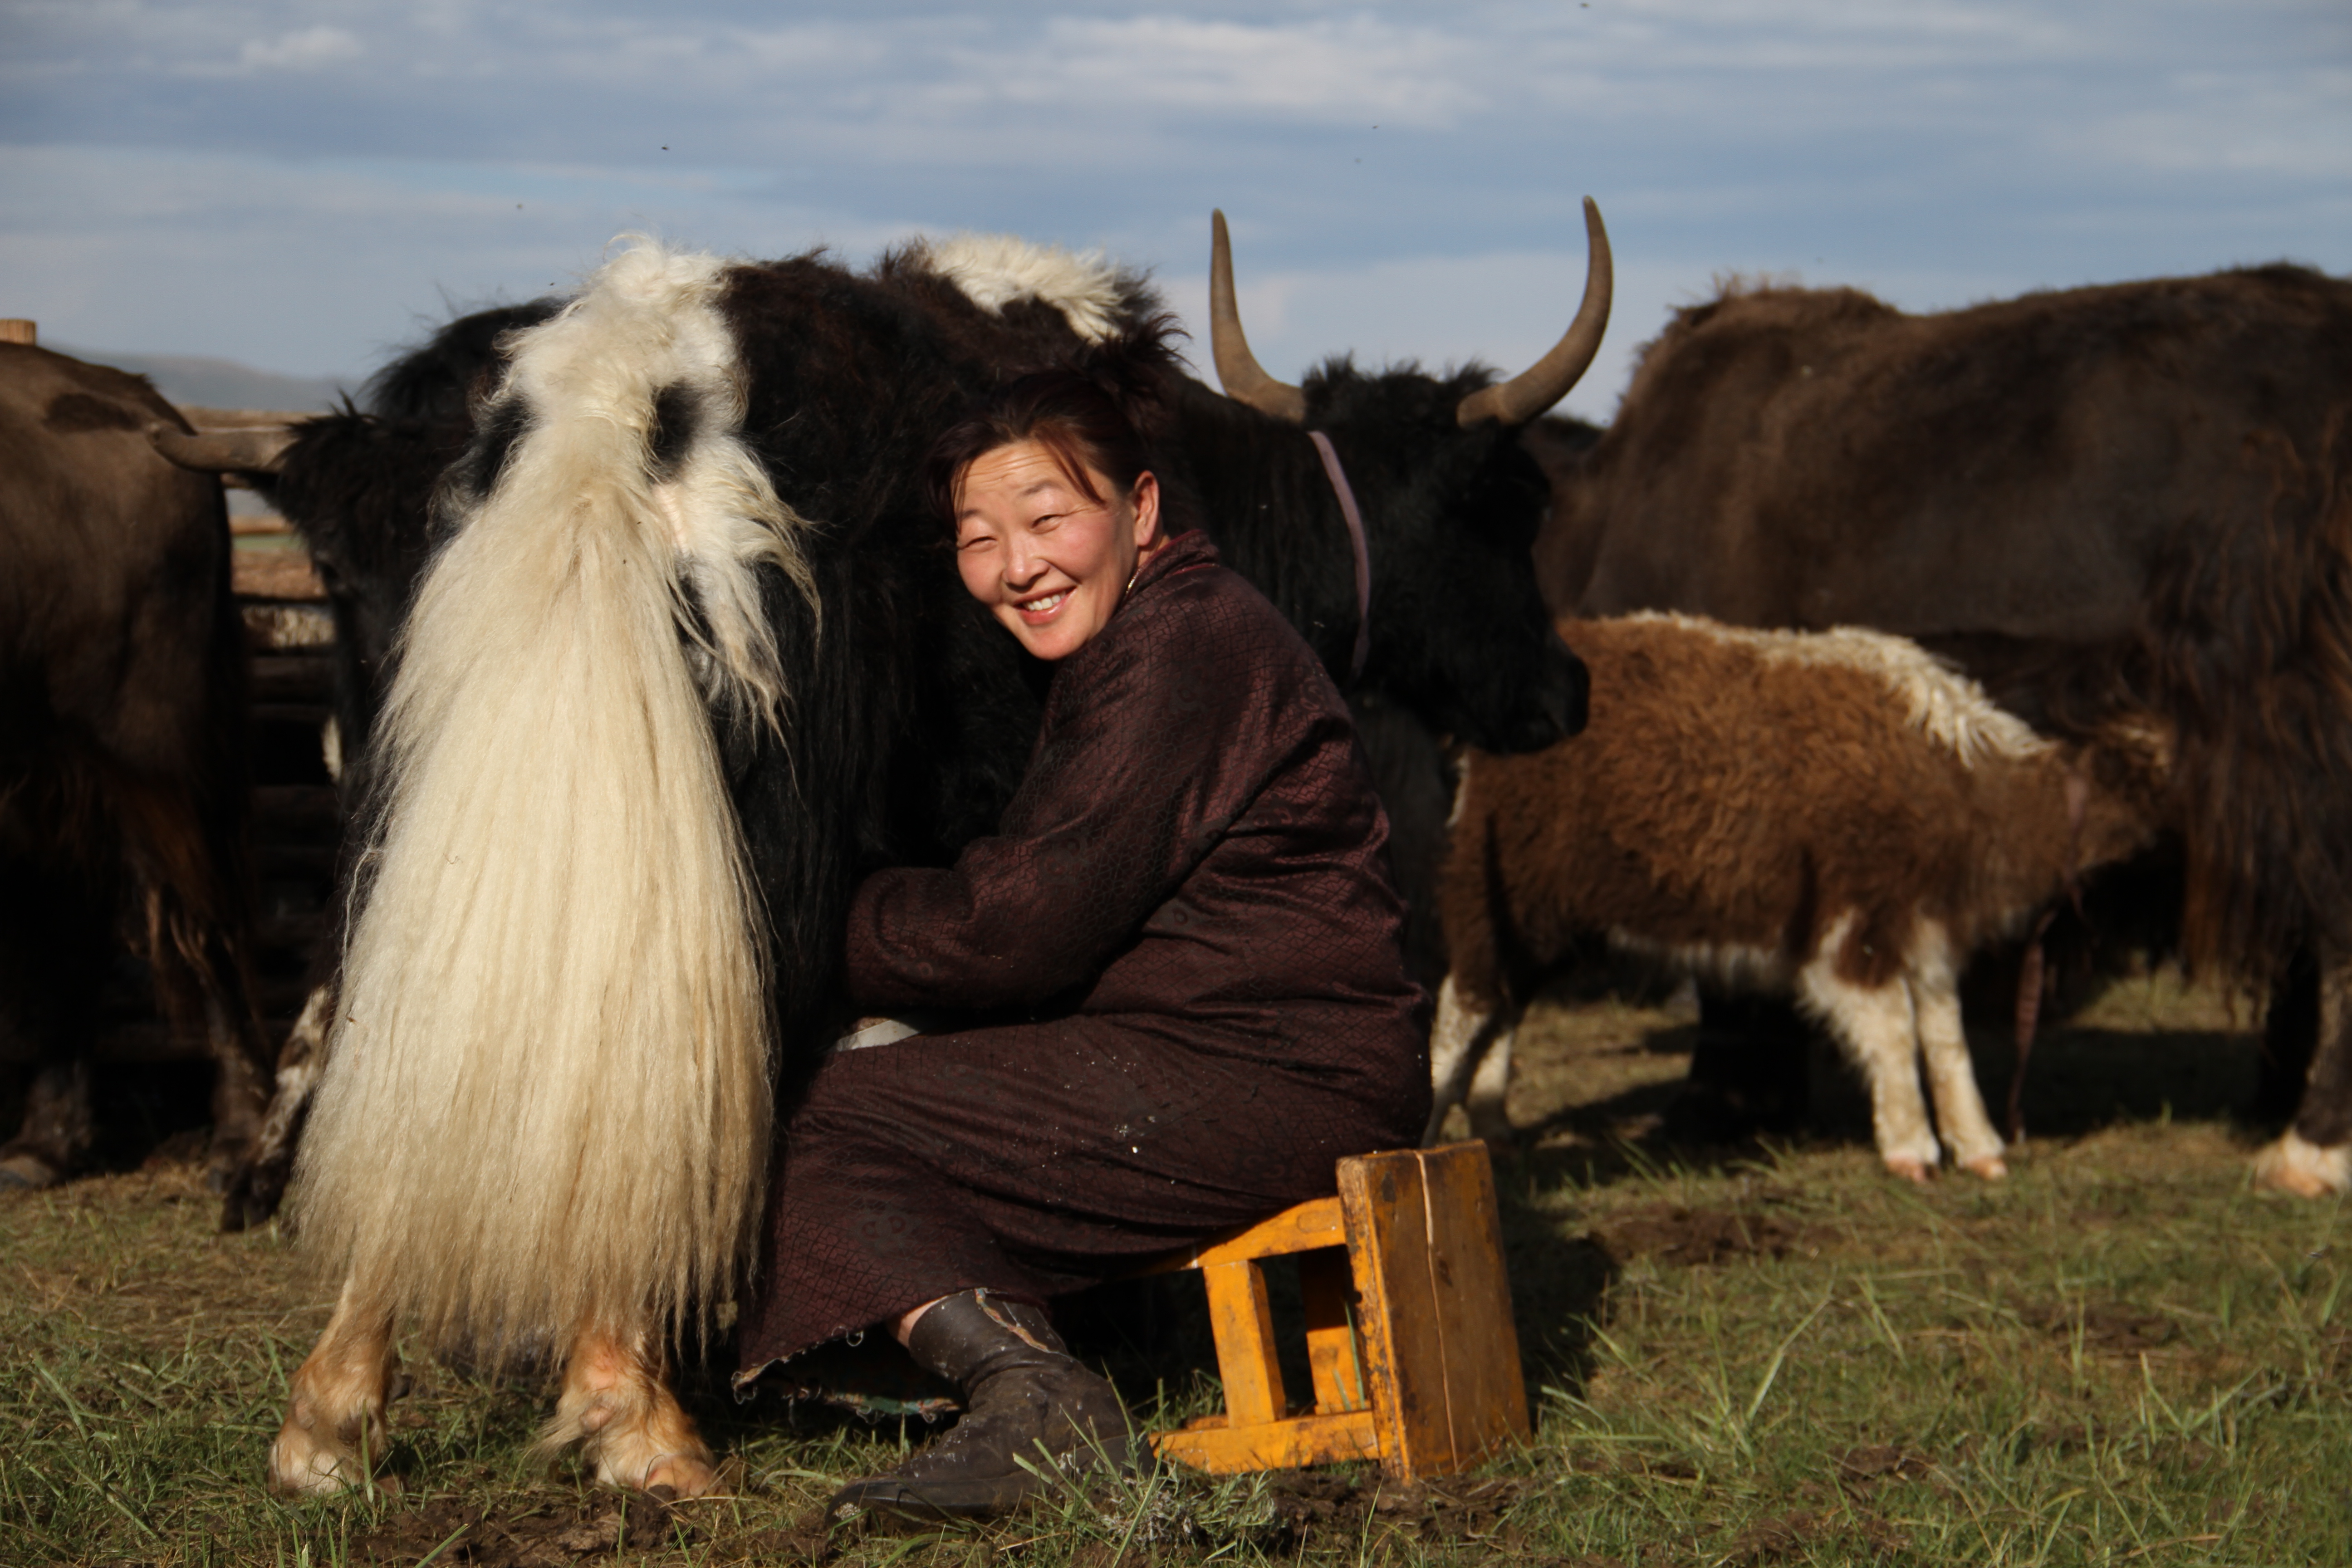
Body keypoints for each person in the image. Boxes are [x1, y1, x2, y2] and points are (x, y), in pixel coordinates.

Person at [735, 362, 1429, 1523]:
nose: (1018, 567)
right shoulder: (1157, 636)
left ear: (1142, 512)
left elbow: (1016, 931)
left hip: (1276, 1070)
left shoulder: (1187, 645)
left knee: (812, 1117)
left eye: (1051, 519)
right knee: (873, 1075)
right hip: (1234, 1054)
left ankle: (1035, 1396)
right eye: (980, 538)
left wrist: (809, 922)